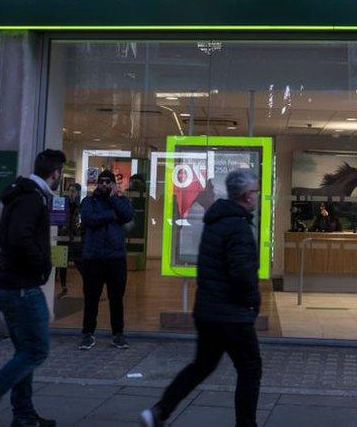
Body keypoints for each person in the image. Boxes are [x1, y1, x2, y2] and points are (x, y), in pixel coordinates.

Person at [140, 169, 262, 427]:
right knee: (250, 369)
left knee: (202, 365)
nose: (257, 196)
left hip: (208, 311)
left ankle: (159, 411)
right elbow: (242, 274)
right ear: (245, 195)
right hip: (232, 314)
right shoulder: (238, 227)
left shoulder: (215, 221)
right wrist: (252, 303)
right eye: (255, 191)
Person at [0, 149, 66, 427]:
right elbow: (18, 237)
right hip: (21, 286)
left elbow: (11, 236)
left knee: (25, 352)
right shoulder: (31, 198)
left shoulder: (25, 194)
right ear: (56, 172)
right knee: (36, 350)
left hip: (13, 283)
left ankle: (23, 414)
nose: (60, 177)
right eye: (60, 172)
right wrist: (42, 263)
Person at [78, 170, 135, 350]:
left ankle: (118, 334)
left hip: (115, 257)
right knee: (91, 298)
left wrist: (113, 199)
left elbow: (127, 216)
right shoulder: (88, 202)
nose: (103, 184)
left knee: (116, 298)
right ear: (96, 183)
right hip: (93, 257)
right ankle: (88, 334)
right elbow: (89, 220)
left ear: (112, 184)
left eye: (107, 182)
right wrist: (111, 215)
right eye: (101, 181)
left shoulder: (121, 201)